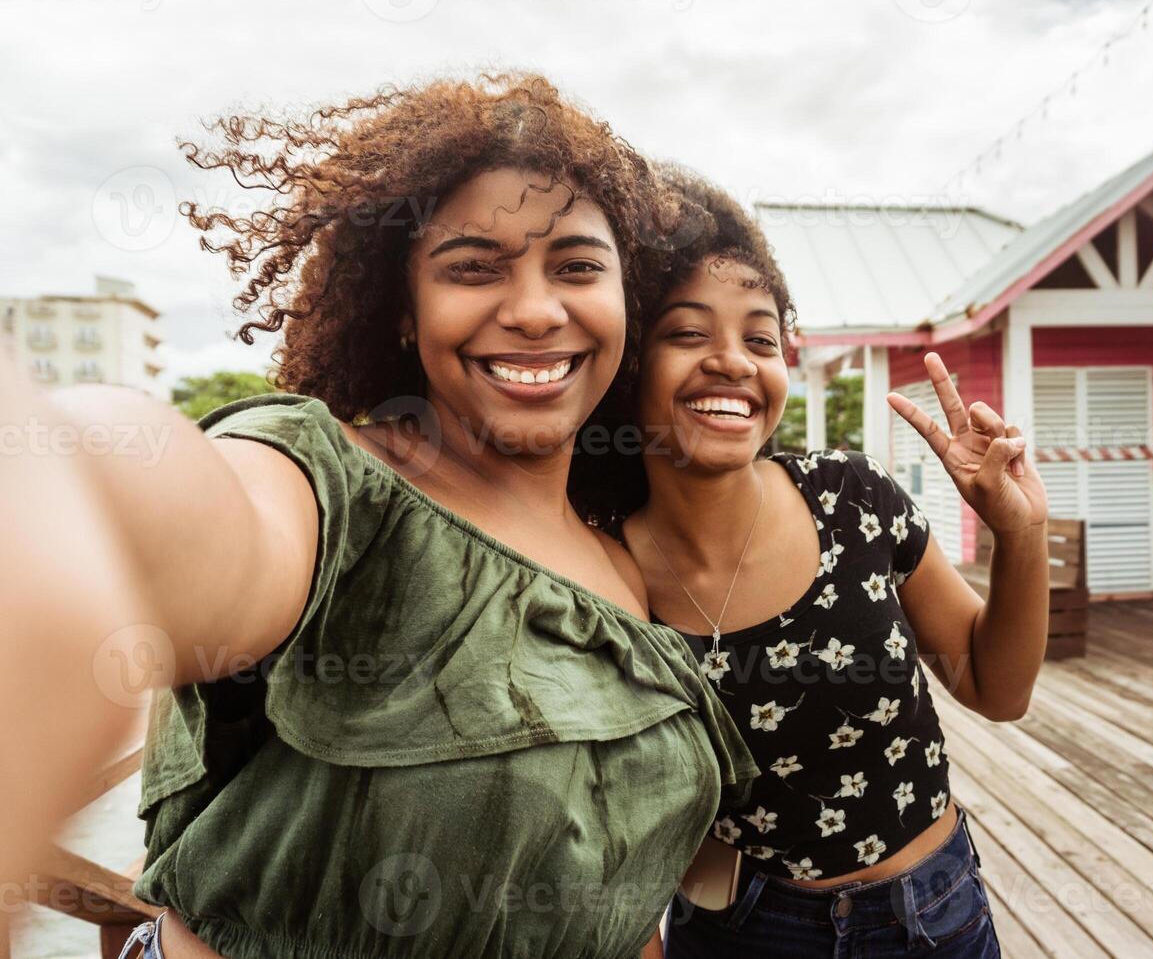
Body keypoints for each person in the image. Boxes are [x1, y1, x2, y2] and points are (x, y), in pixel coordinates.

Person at [0, 75, 756, 958]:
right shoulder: (338, 493)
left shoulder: (625, 565)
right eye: (472, 267)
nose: (536, 311)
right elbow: (174, 508)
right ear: (404, 310)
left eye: (578, 267)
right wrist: (66, 465)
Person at [600, 169, 1051, 957]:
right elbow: (608, 819)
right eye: (687, 333)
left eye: (760, 338)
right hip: (742, 934)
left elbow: (997, 686)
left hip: (933, 915)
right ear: (629, 364)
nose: (733, 362)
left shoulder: (852, 497)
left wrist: (1020, 535)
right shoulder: (599, 566)